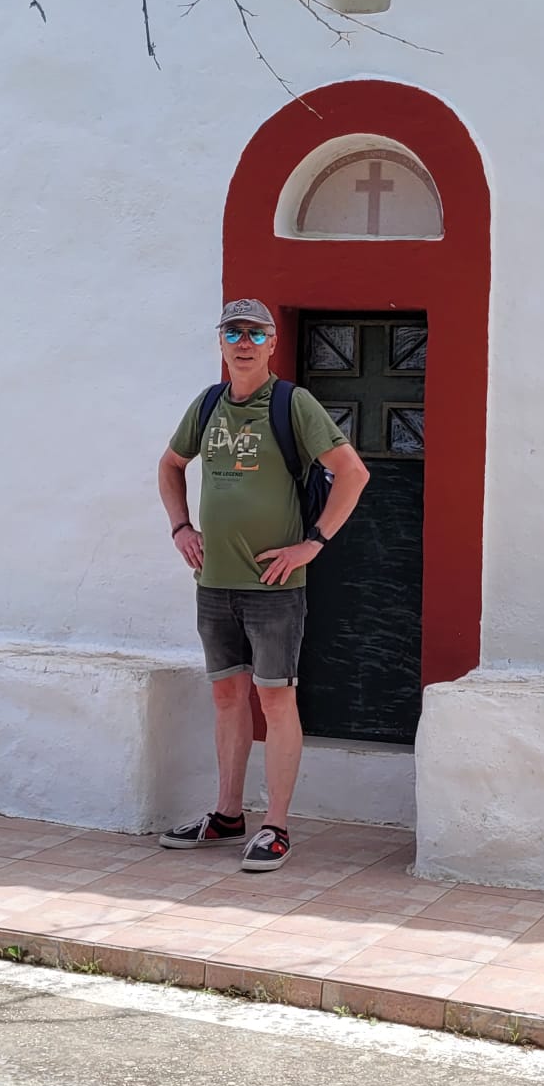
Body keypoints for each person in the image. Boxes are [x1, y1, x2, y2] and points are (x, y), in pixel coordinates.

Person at [157, 298, 371, 871]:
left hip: (275, 586)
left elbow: (353, 472)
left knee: (275, 699)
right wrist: (181, 528)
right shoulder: (207, 406)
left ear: (272, 343)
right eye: (234, 332)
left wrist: (313, 544)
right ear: (220, 343)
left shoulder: (292, 403)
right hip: (214, 582)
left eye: (256, 332)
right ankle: (228, 815)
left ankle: (276, 825)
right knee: (227, 697)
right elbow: (171, 465)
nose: (244, 342)